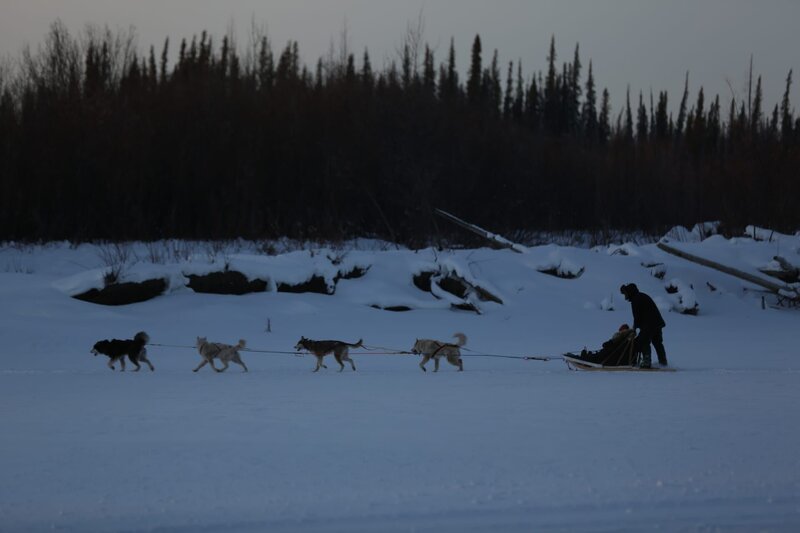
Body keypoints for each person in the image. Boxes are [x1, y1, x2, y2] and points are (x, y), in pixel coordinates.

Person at [620, 283, 668, 368]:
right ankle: (663, 362)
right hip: (656, 323)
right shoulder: (641, 296)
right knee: (657, 343)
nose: (625, 297)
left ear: (629, 292)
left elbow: (637, 316)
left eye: (625, 294)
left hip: (649, 324)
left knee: (643, 341)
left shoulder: (636, 299)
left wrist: (634, 329)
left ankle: (646, 361)